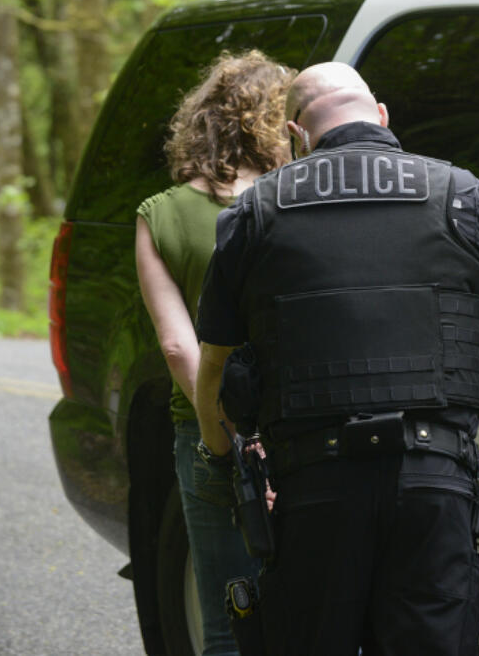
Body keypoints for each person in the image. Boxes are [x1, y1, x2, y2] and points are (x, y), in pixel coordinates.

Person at [191, 62, 479, 656]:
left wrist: (219, 458)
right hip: (435, 482)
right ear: (380, 115)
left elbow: (217, 359)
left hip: (315, 489)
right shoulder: (465, 195)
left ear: (297, 136)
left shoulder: (254, 214)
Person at [135, 49, 294, 656]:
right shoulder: (293, 201)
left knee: (230, 620)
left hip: (211, 437)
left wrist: (227, 435)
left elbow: (179, 346)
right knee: (323, 610)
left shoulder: (162, 215)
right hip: (307, 432)